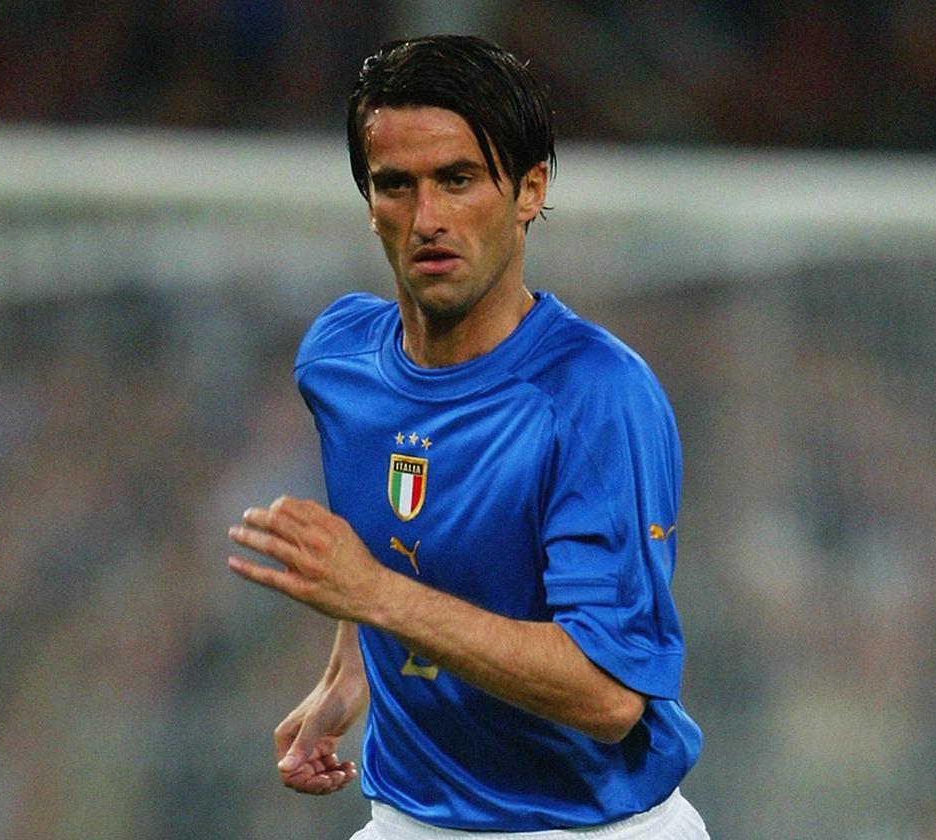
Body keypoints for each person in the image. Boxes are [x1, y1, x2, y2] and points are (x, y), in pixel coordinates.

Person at [228, 34, 708, 838]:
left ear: (528, 189)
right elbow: (396, 538)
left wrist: (372, 594)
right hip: (408, 818)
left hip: (590, 829)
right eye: (395, 185)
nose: (427, 219)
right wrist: (348, 678)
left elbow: (609, 697)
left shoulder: (595, 397)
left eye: (457, 180)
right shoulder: (339, 360)